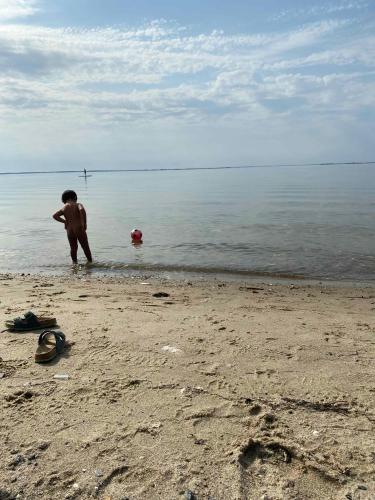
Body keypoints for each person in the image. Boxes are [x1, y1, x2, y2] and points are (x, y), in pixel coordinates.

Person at [53, 190, 93, 264]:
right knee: (85, 247)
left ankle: (74, 263)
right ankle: (90, 262)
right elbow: (82, 210)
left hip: (69, 230)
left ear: (64, 199)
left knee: (73, 248)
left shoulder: (64, 207)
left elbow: (55, 216)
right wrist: (84, 223)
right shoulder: (78, 204)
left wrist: (65, 221)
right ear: (75, 197)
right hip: (79, 228)